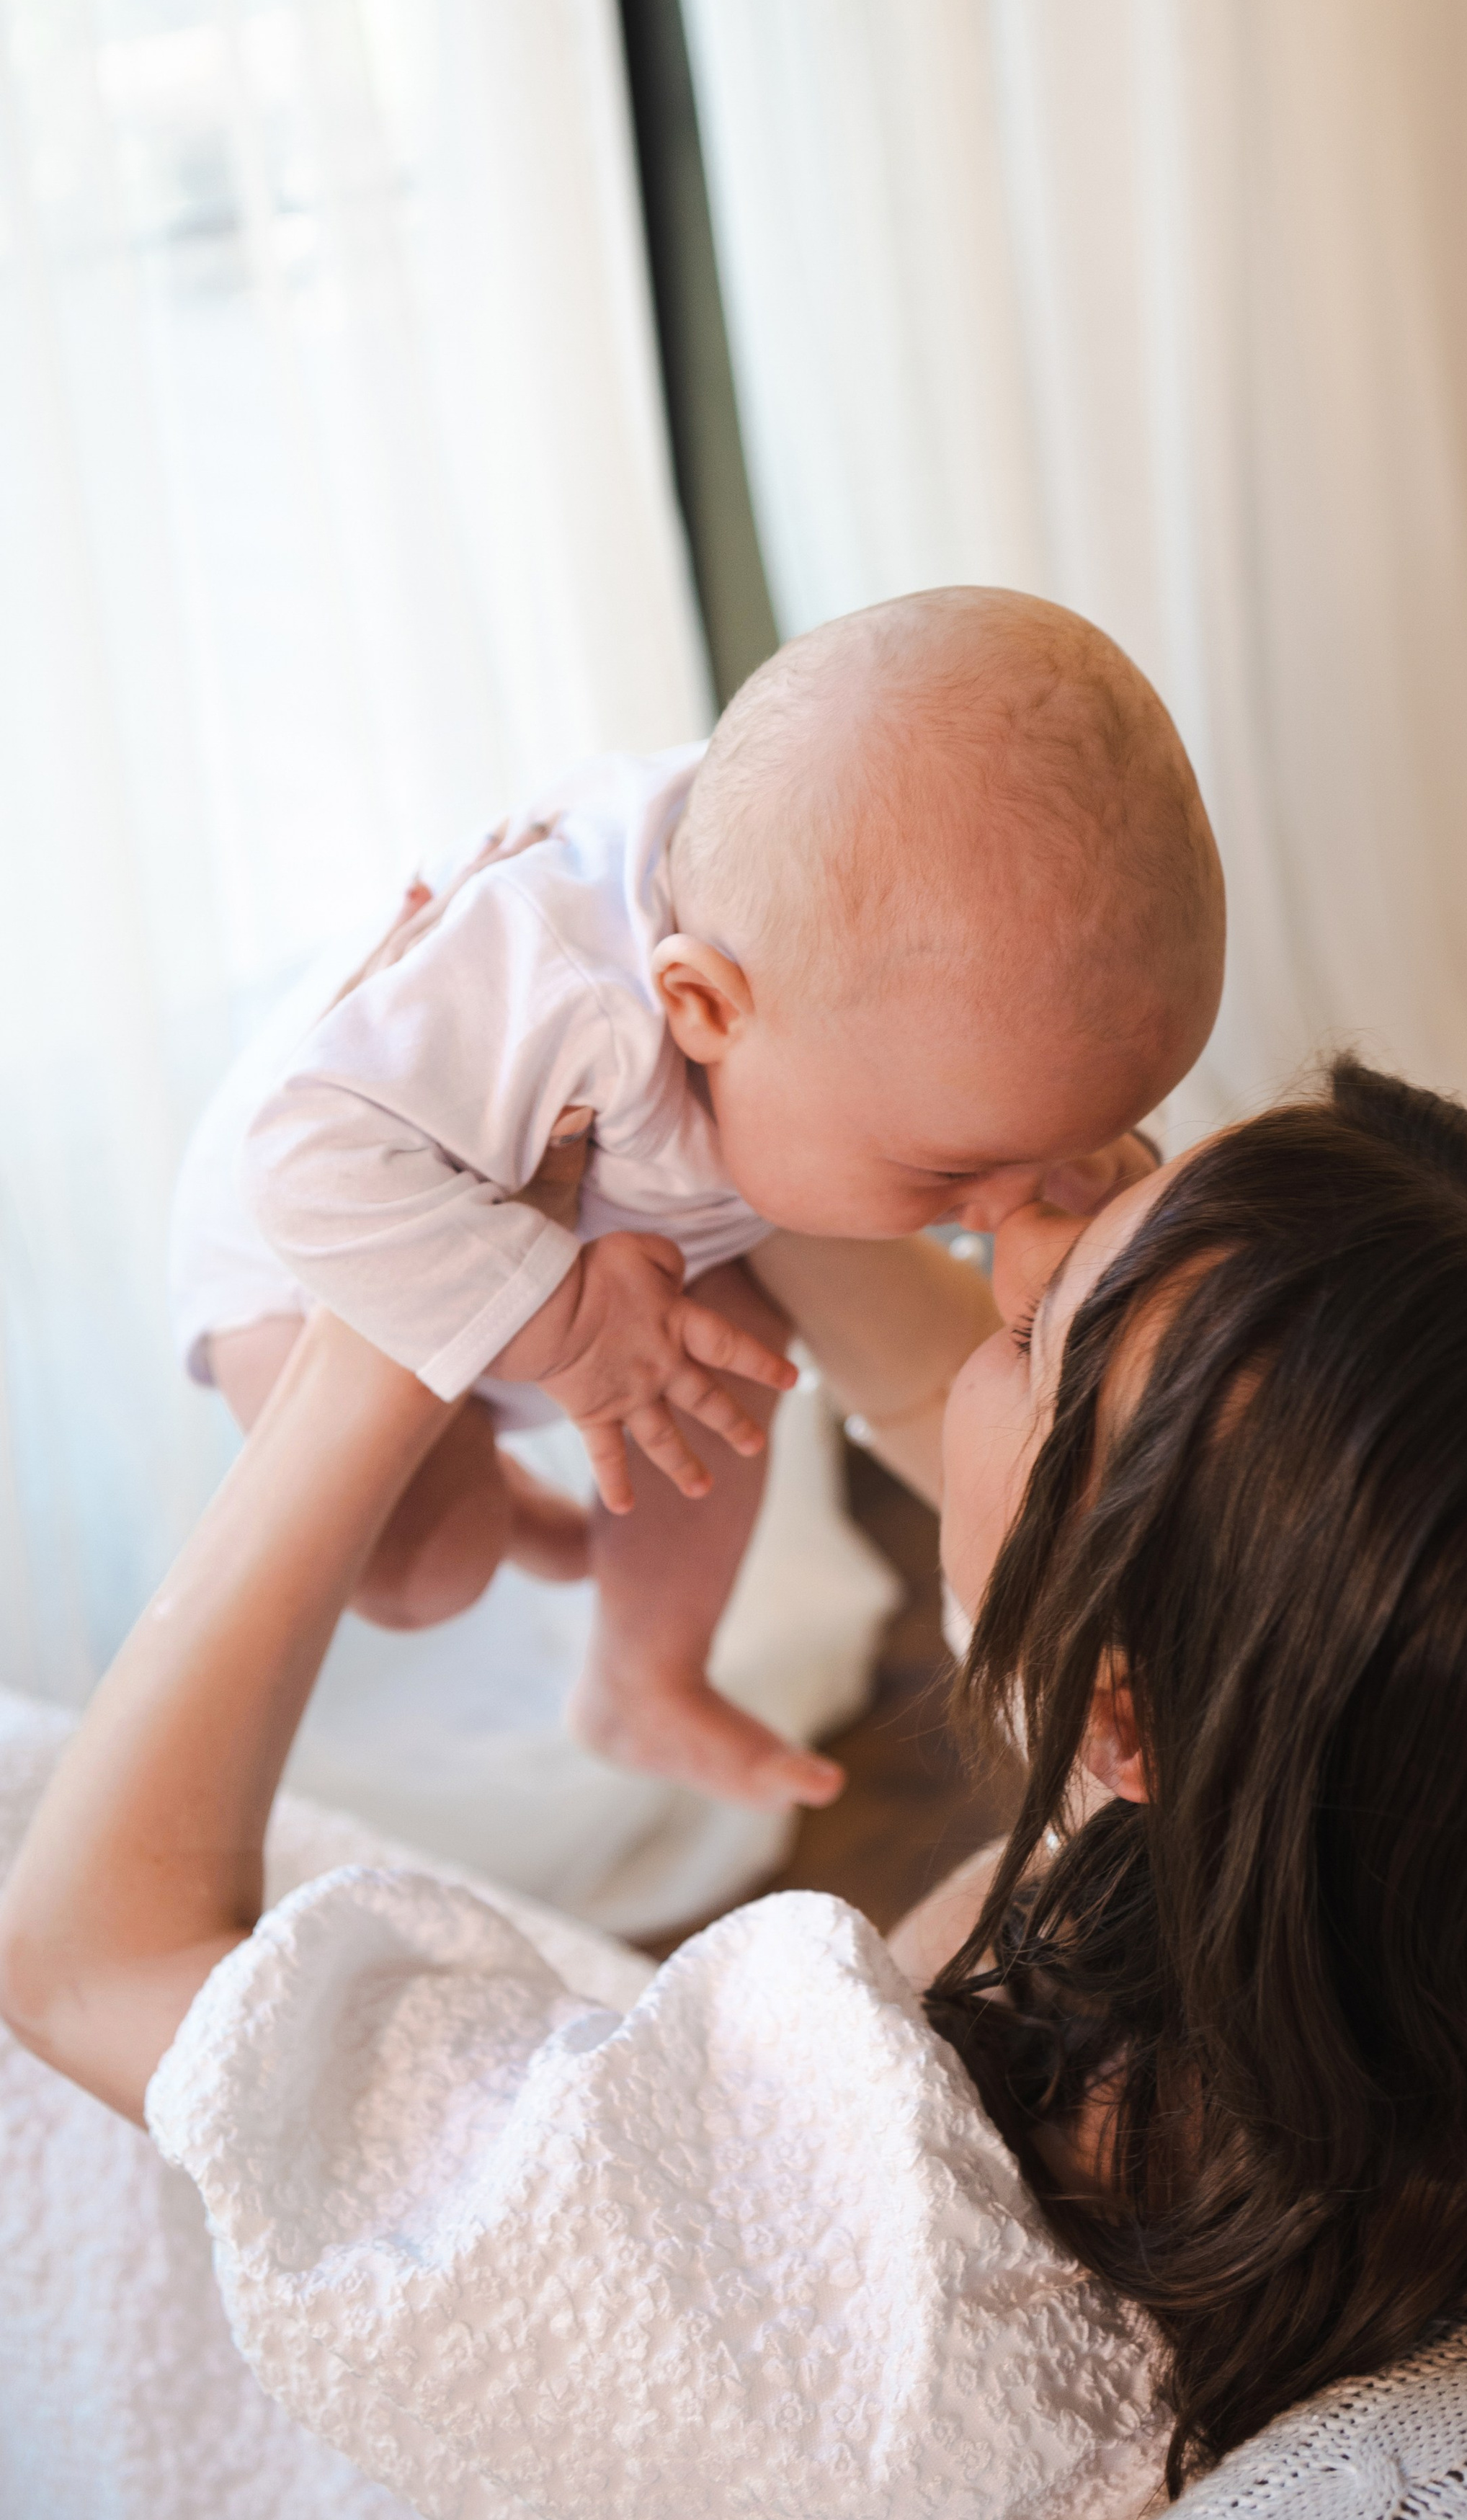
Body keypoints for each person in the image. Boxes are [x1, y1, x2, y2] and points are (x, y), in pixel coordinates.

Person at [1, 1064, 1467, 2520]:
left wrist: (397, 1315)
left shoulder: (869, 2291)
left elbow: (85, 1953)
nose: (1013, 1262)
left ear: (1121, 1707)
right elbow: (938, 1412)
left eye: (1039, 1333)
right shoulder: (1432, 1867)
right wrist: (785, 1084)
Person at [170, 585, 1224, 1813]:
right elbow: (305, 1154)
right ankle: (499, 1507)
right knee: (424, 1569)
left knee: (726, 1362)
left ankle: (641, 1672)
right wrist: (564, 1324)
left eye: (1067, 1145)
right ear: (706, 1007)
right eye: (952, 1171)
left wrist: (1072, 1156)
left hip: (624, 1235)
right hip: (319, 1253)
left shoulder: (852, 968)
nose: (1002, 1208)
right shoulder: (563, 973)